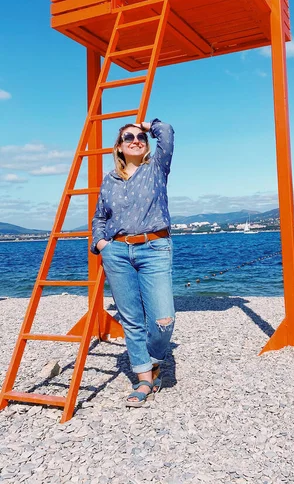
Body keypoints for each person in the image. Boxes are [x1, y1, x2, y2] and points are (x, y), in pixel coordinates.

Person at [91, 118, 175, 407]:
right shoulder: (109, 180)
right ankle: (144, 380)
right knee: (132, 321)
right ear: (119, 146)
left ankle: (152, 362)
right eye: (129, 137)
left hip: (155, 247)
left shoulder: (156, 169)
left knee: (164, 320)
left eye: (141, 137)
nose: (136, 140)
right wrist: (102, 245)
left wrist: (146, 123)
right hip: (117, 252)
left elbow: (166, 133)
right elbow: (100, 217)